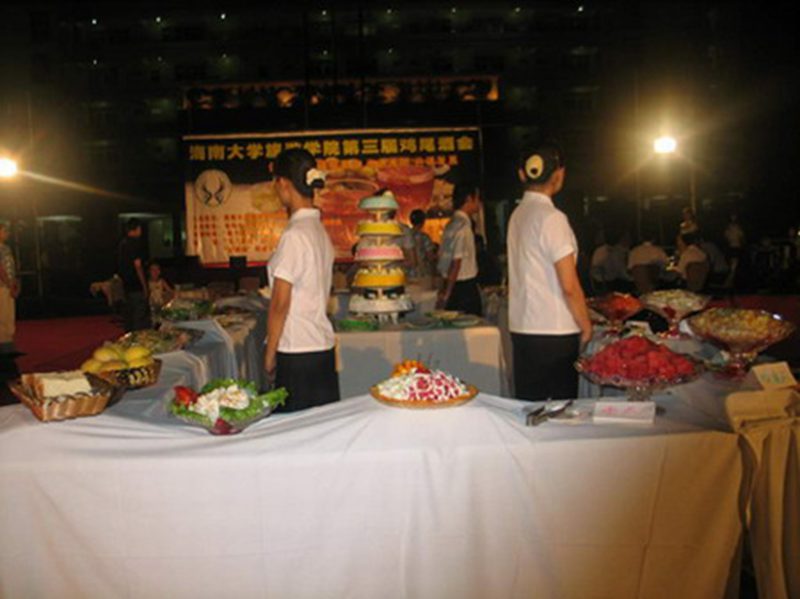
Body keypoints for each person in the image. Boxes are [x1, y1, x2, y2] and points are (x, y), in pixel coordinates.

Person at [507, 142, 592, 401]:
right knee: (559, 411)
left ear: (522, 174)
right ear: (559, 175)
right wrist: (585, 324)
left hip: (523, 327)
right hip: (554, 331)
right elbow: (569, 284)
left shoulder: (517, 215)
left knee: (531, 408)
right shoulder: (552, 218)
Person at [264, 148, 340, 411]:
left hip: (297, 352)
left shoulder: (295, 235)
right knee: (321, 427)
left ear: (284, 183)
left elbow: (280, 303)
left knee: (296, 428)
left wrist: (270, 353)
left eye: (276, 182)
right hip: (321, 348)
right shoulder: (318, 230)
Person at [436, 183, 483, 316]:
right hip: (464, 289)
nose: (479, 203)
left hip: (451, 285)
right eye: (477, 199)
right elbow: (456, 263)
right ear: (469, 199)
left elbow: (443, 259)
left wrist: (444, 290)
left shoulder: (450, 224)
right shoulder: (463, 227)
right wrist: (446, 295)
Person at [117, 218, 150, 331]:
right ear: (137, 229)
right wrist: (144, 286)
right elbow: (138, 266)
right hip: (136, 284)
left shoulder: (122, 244)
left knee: (129, 316)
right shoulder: (135, 243)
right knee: (139, 316)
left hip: (126, 285)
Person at [0, 222, 20, 354]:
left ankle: (7, 341)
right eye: (4, 231)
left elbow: (10, 267)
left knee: (9, 314)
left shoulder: (6, 248)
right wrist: (8, 283)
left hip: (7, 285)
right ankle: (4, 344)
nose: (7, 233)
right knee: (3, 314)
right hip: (2, 286)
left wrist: (14, 282)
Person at [407, 209, 436, 282]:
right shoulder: (424, 237)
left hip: (408, 273)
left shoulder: (405, 236)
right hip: (422, 273)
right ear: (423, 222)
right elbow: (430, 256)